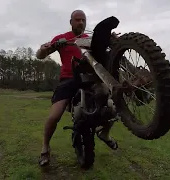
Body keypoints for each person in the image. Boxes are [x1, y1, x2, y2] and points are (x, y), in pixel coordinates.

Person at [36, 10, 118, 166]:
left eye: (83, 20)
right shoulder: (62, 39)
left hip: (90, 79)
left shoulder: (90, 40)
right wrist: (46, 48)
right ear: (71, 22)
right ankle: (45, 148)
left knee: (112, 105)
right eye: (77, 20)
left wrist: (111, 40)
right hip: (68, 79)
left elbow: (106, 49)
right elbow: (40, 55)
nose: (81, 22)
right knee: (54, 115)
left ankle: (104, 133)